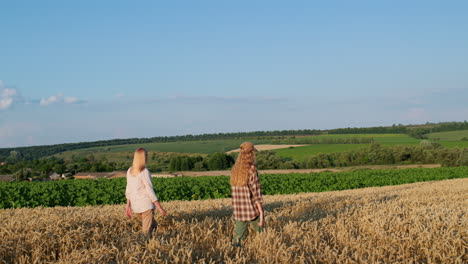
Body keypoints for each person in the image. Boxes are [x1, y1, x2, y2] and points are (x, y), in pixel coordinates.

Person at [125, 148, 167, 235]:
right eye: (146, 155)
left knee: (152, 225)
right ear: (143, 158)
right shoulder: (144, 171)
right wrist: (160, 208)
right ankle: (146, 245)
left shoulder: (129, 171)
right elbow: (149, 190)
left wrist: (128, 206)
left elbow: (128, 189)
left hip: (136, 206)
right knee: (146, 232)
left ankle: (156, 239)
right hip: (146, 205)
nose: (147, 157)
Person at [230, 142, 264, 246]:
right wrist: (261, 212)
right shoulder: (251, 169)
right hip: (252, 208)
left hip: (239, 209)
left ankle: (233, 255)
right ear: (251, 153)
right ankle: (262, 250)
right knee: (261, 234)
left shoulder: (235, 170)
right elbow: (256, 192)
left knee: (238, 237)